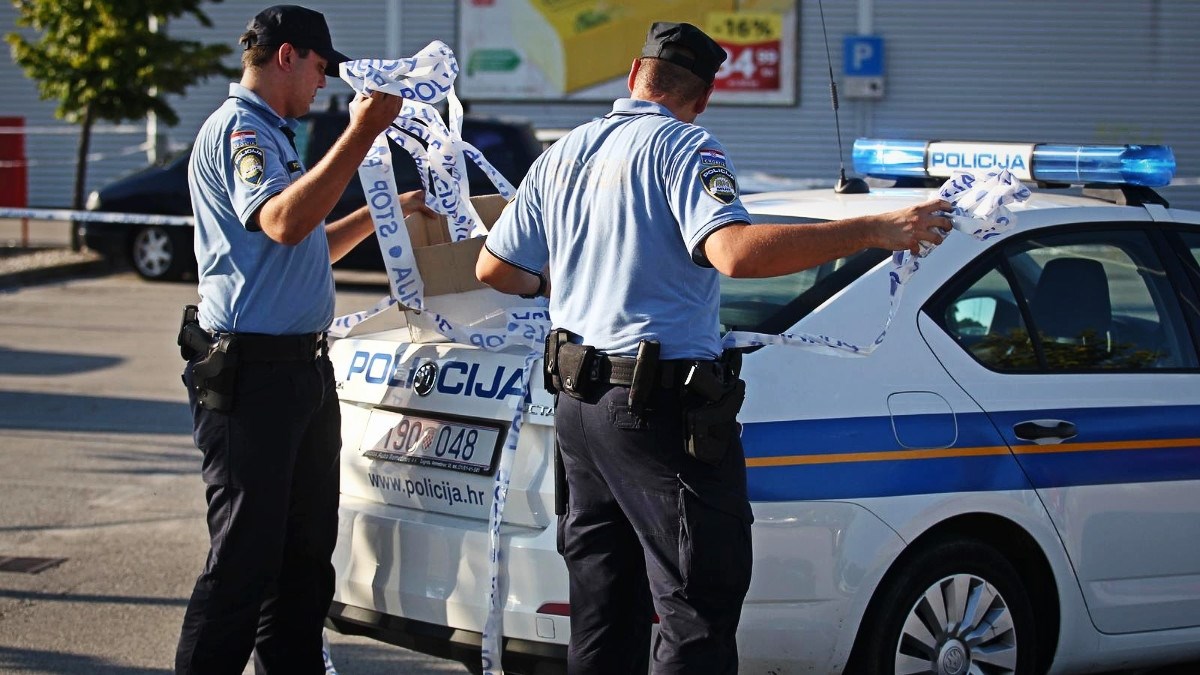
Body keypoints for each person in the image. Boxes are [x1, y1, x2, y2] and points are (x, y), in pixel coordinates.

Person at [476, 21, 952, 675]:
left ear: (632, 77)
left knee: (603, 604)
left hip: (577, 409)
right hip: (653, 412)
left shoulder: (566, 151)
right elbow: (732, 253)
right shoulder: (688, 147)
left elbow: (495, 270)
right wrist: (872, 227)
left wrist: (583, 271)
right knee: (696, 603)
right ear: (704, 96)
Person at [174, 5, 431, 673]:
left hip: (298, 374)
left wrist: (381, 217)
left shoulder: (276, 132)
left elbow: (306, 240)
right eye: (322, 68)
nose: (326, 84)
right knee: (242, 563)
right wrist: (362, 133)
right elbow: (285, 222)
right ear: (287, 56)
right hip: (254, 374)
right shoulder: (242, 131)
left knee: (301, 561)